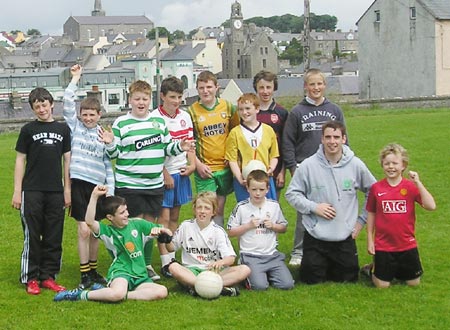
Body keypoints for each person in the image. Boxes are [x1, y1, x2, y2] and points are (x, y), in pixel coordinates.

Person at [99, 80, 195, 281]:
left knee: (149, 228)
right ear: (130, 100)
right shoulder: (121, 124)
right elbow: (116, 152)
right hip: (130, 185)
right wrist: (109, 143)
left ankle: (147, 264)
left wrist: (181, 146)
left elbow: (168, 147)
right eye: (137, 99)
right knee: (132, 226)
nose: (141, 102)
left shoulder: (158, 123)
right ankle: (133, 264)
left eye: (144, 98)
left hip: (154, 185)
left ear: (149, 100)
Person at [285, 121, 376, 284]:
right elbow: (292, 194)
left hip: (344, 235)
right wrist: (314, 207)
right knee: (311, 280)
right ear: (322, 139)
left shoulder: (355, 164)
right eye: (328, 137)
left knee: (347, 279)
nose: (332, 141)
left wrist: (361, 221)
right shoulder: (308, 165)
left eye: (336, 137)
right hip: (315, 235)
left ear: (344, 139)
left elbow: (374, 191)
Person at [54, 185, 172, 302]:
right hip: (121, 272)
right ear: (110, 217)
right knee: (117, 294)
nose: (126, 214)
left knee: (162, 291)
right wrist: (94, 196)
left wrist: (162, 232)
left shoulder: (138, 224)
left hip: (141, 275)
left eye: (126, 210)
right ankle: (80, 295)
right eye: (122, 213)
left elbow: (166, 230)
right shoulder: (108, 232)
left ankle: (112, 293)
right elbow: (89, 221)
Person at [283, 68, 347, 267]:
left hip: (331, 167)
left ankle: (329, 247)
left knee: (330, 208)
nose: (316, 88)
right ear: (305, 86)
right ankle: (299, 251)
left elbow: (344, 139)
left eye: (319, 84)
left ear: (324, 86)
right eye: (312, 84)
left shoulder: (334, 110)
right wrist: (293, 168)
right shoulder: (297, 112)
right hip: (305, 168)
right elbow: (288, 142)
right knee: (305, 211)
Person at [11, 87, 71, 295]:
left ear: (51, 104)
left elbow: (67, 161)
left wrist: (67, 190)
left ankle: (48, 276)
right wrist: (17, 191)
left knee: (54, 234)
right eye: (37, 106)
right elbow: (20, 160)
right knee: (33, 235)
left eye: (44, 105)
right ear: (33, 109)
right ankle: (31, 277)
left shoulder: (63, 130)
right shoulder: (28, 130)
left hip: (56, 191)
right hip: (32, 190)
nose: (42, 109)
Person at [63, 64, 114, 289]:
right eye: (84, 115)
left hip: (98, 186)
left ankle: (93, 271)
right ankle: (84, 274)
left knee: (95, 231)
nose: (88, 118)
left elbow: (109, 161)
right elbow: (66, 101)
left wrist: (110, 189)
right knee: (83, 229)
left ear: (99, 115)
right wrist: (75, 78)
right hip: (80, 184)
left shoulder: (103, 134)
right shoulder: (75, 127)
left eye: (92, 115)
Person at [363, 143, 436, 288]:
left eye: (395, 163)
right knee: (382, 286)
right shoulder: (377, 188)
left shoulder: (410, 187)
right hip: (384, 246)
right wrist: (370, 240)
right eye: (387, 163)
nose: (391, 167)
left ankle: (396, 270)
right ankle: (370, 269)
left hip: (406, 244)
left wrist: (418, 182)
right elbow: (371, 214)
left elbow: (431, 206)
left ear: (403, 165)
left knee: (413, 283)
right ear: (382, 165)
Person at [165, 191, 251, 297]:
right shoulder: (185, 226)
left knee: (245, 270)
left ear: (213, 212)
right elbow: (171, 248)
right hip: (192, 270)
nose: (202, 211)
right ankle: (215, 288)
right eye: (199, 207)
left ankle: (195, 287)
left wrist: (221, 262)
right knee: (173, 267)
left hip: (214, 272)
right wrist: (166, 240)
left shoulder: (218, 231)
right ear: (194, 209)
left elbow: (231, 258)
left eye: (207, 208)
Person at [151, 76, 195, 277]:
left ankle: (171, 254)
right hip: (163, 174)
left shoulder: (185, 116)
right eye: (172, 97)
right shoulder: (154, 118)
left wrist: (192, 164)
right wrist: (164, 172)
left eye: (179, 97)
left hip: (181, 172)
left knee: (175, 216)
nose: (176, 101)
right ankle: (165, 261)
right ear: (162, 96)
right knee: (164, 217)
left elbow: (190, 144)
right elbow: (152, 151)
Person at [187, 71, 239, 227]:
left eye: (209, 87)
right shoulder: (191, 112)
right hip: (205, 169)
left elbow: (236, 134)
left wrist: (233, 157)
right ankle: (204, 244)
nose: (205, 91)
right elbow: (188, 144)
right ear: (197, 89)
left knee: (219, 208)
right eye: (201, 87)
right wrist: (197, 164)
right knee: (206, 208)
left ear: (217, 87)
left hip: (225, 168)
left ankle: (217, 243)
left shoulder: (228, 107)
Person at [228, 170, 294, 290]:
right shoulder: (241, 207)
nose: (257, 193)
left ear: (268, 189)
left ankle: (264, 273)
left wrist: (273, 226)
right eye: (254, 189)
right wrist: (247, 226)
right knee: (259, 286)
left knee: (287, 285)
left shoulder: (274, 206)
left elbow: (283, 228)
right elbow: (231, 232)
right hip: (250, 255)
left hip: (272, 255)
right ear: (247, 188)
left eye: (261, 190)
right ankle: (250, 275)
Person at [225, 93, 278, 202]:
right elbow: (232, 159)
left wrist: (270, 170)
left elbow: (274, 155)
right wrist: (240, 179)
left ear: (257, 109)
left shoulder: (268, 130)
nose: (244, 112)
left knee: (268, 212)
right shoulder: (235, 133)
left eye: (248, 108)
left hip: (265, 179)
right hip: (245, 182)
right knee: (247, 214)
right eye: (241, 109)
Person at [253, 70, 289, 200]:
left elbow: (286, 144)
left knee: (273, 207)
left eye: (269, 87)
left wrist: (282, 171)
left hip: (275, 169)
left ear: (274, 88)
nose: (265, 91)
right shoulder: (249, 112)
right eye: (261, 87)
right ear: (256, 88)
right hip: (253, 168)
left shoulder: (282, 112)